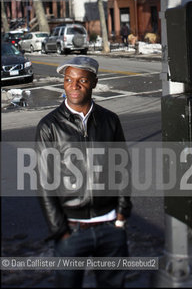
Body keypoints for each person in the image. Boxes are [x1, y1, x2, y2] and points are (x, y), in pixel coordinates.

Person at [35, 56, 132, 288]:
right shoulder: (49, 126)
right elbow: (45, 183)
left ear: (94, 83)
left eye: (82, 80)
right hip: (72, 229)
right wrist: (60, 230)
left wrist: (121, 214)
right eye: (68, 79)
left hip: (110, 227)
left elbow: (123, 169)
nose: (74, 85)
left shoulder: (110, 121)